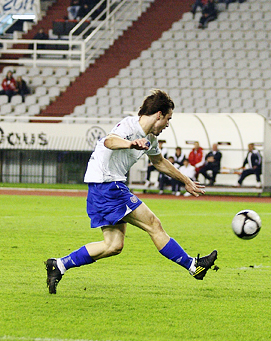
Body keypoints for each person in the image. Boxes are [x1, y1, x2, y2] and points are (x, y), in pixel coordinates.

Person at [45, 89, 218, 294]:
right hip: (109, 185)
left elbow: (159, 162)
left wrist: (186, 181)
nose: (168, 125)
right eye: (168, 119)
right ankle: (193, 266)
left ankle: (59, 265)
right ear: (158, 115)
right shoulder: (129, 126)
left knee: (113, 245)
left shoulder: (150, 139)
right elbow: (109, 141)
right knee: (154, 224)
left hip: (104, 187)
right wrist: (131, 143)